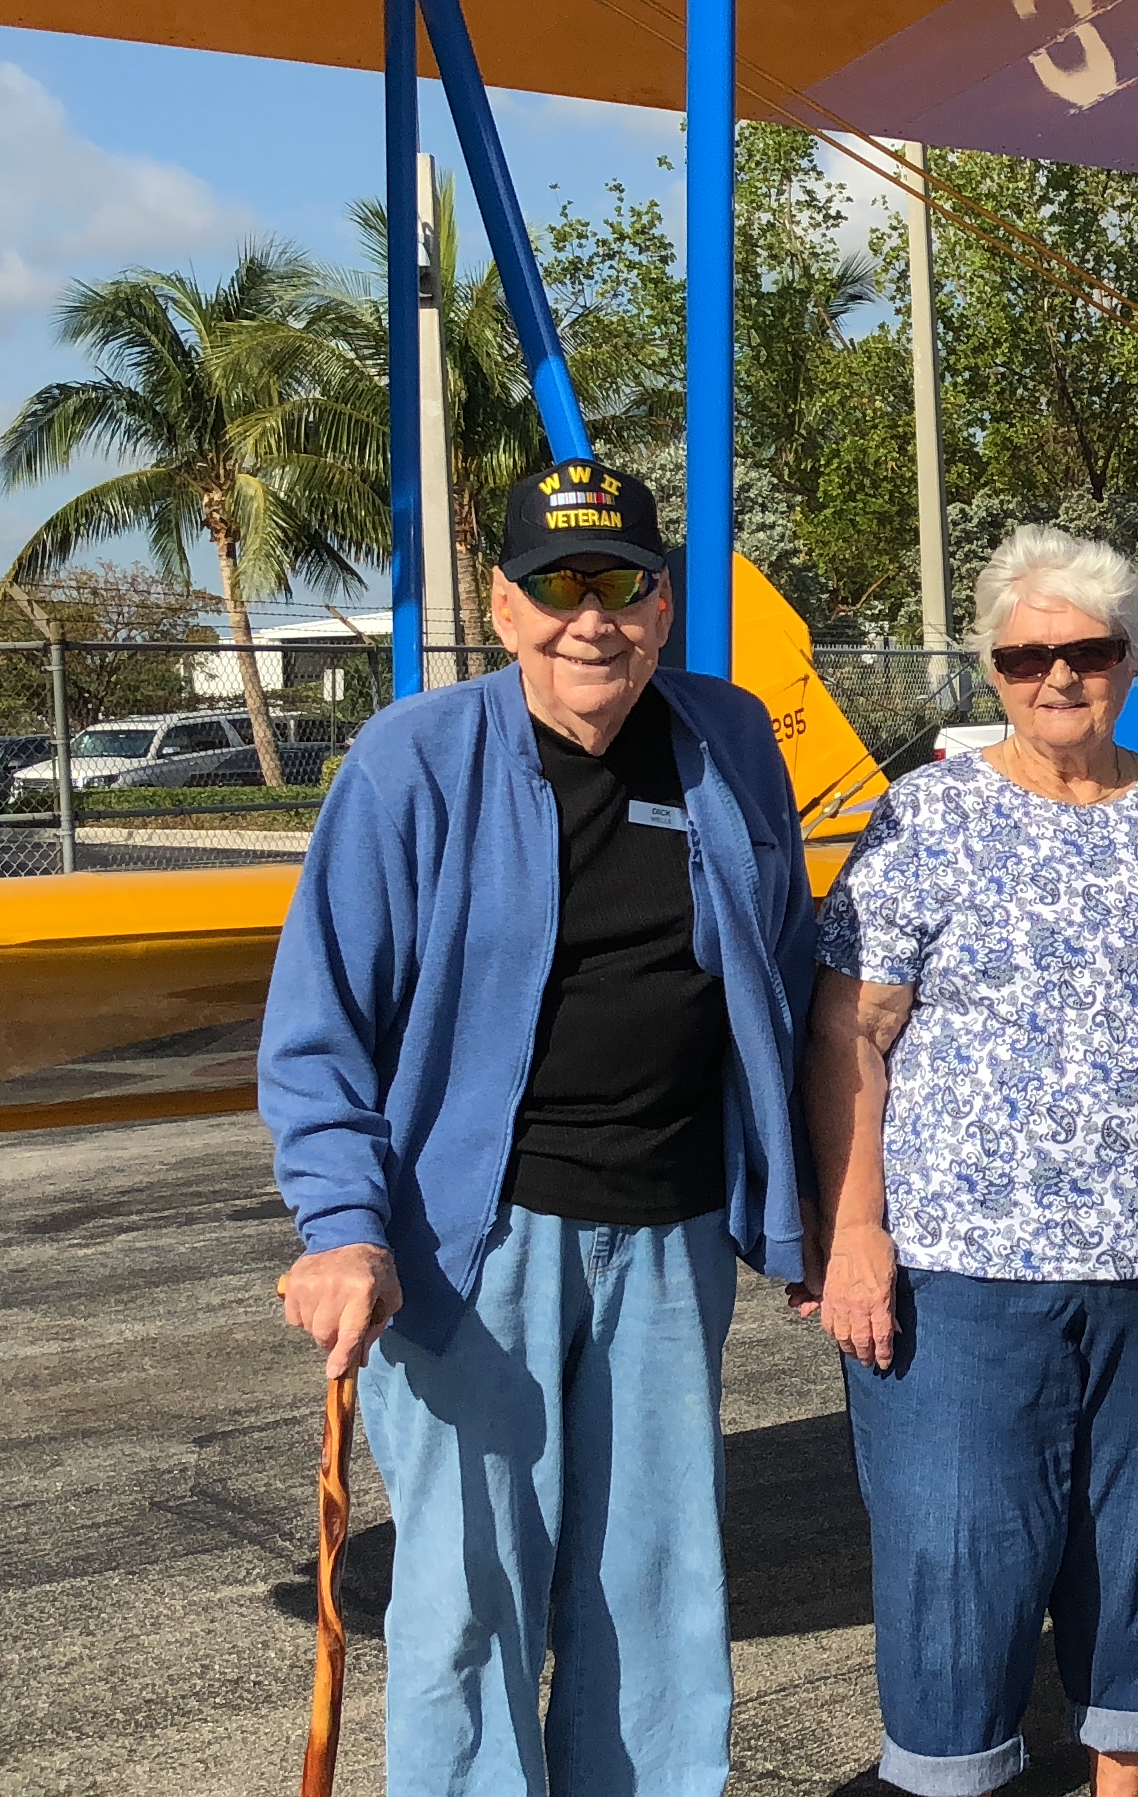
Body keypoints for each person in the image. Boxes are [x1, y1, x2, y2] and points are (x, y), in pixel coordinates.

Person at [264, 460, 820, 1795]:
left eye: (621, 585)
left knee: (659, 1591)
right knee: (470, 1598)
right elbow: (320, 1019)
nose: (594, 620)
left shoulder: (729, 737)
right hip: (476, 1245)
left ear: (664, 605)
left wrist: (810, 1201)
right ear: (504, 607)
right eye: (558, 588)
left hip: (675, 1232)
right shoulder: (416, 756)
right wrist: (342, 1229)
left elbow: (789, 972)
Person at [806, 525, 1138, 1797]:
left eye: (1089, 650)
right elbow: (853, 1032)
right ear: (992, 668)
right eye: (1024, 655)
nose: (1058, 676)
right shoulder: (927, 816)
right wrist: (852, 1232)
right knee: (957, 1558)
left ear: (1131, 658)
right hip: (959, 1263)